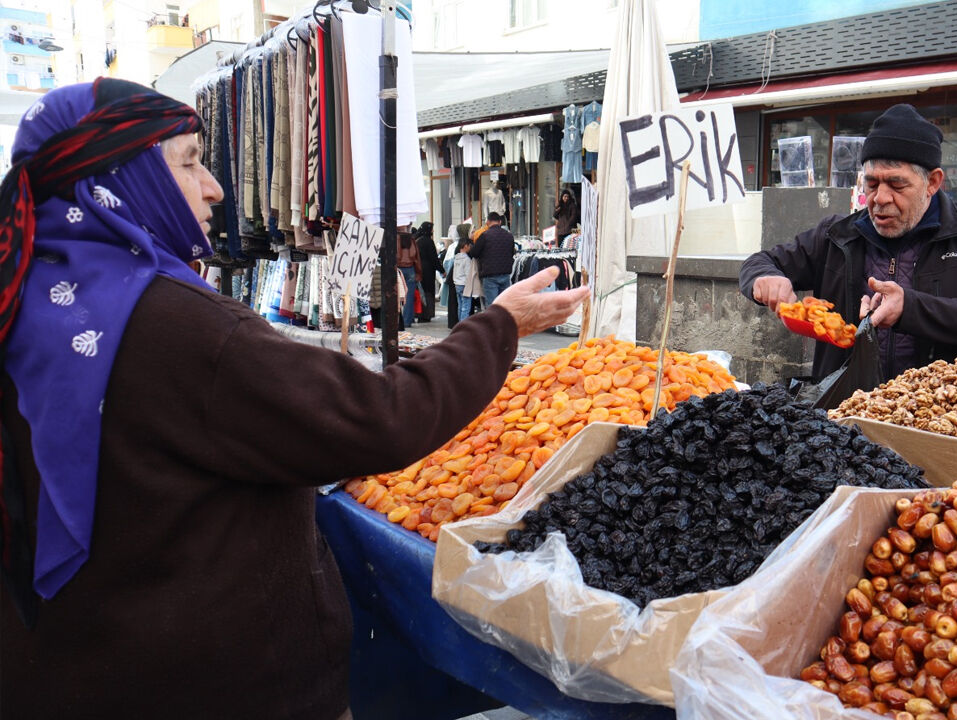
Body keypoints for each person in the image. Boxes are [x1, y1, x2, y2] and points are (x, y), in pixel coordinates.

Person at [0, 79, 588, 719]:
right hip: (221, 689)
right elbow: (380, 418)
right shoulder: (175, 325)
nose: (216, 188)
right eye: (191, 160)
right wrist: (499, 324)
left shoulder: (21, 299)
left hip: (67, 669)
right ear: (117, 174)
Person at [739, 103, 957, 381]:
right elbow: (760, 262)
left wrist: (909, 308)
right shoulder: (838, 235)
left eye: (897, 185)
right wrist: (765, 277)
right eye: (872, 184)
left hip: (939, 412)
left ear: (933, 183)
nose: (880, 198)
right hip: (846, 409)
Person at [469, 211, 516, 309]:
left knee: (491, 306)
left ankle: (492, 324)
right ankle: (503, 324)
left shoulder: (484, 236)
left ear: (487, 223)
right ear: (500, 222)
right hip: (505, 274)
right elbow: (512, 253)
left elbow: (474, 253)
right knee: (504, 306)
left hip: (489, 275)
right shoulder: (509, 236)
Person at [414, 221, 444, 323]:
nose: (433, 230)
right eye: (432, 229)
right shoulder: (428, 241)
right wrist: (442, 270)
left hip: (418, 269)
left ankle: (419, 313)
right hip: (428, 271)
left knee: (420, 291)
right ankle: (426, 314)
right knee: (428, 292)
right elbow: (434, 259)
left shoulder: (417, 240)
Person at [394, 226, 421, 330]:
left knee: (395, 295)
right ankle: (407, 320)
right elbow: (417, 257)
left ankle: (397, 320)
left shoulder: (394, 238)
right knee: (409, 296)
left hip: (397, 268)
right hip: (410, 268)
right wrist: (419, 272)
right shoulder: (411, 240)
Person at [453, 236, 484, 321]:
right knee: (466, 307)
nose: (471, 248)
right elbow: (469, 275)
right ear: (466, 246)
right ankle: (463, 326)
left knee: (460, 306)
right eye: (470, 246)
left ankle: (459, 324)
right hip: (465, 285)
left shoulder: (456, 258)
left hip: (457, 284)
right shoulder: (466, 259)